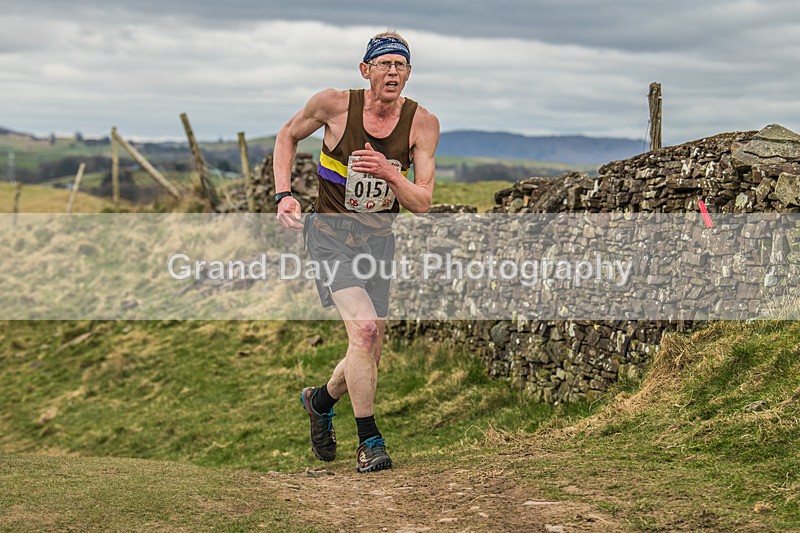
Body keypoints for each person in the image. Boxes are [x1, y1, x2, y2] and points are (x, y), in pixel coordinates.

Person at [273, 31, 439, 472]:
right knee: (365, 331)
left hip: (378, 242)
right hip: (329, 235)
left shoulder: (422, 123)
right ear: (365, 70)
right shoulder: (333, 104)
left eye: (400, 65)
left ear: (408, 73)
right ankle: (370, 442)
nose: (392, 72)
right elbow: (287, 135)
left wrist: (390, 173)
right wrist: (283, 194)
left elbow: (422, 203)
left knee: (369, 350)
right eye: (383, 64)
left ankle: (319, 400)